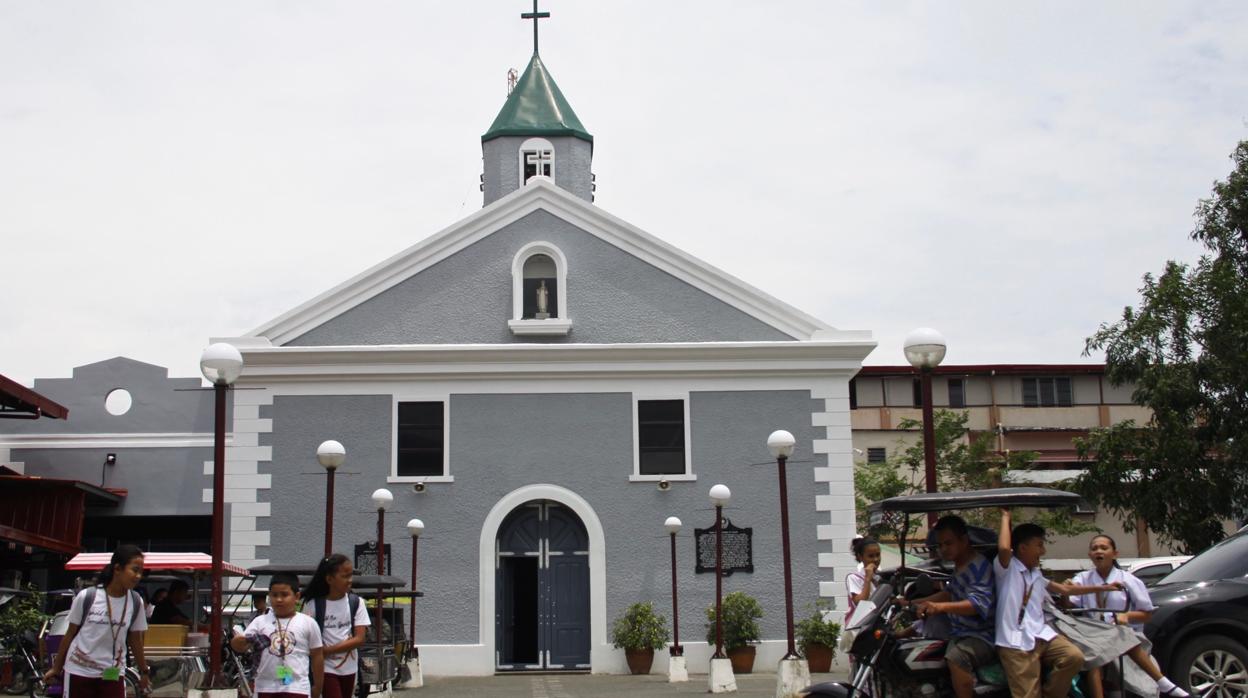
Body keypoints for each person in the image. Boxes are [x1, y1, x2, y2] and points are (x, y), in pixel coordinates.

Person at [996, 508, 1124, 698]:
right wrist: (1006, 516)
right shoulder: (1007, 568)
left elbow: (1065, 590)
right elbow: (1005, 549)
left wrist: (1104, 588)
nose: (1043, 551)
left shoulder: (1036, 574)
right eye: (1039, 545)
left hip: (1040, 635)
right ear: (1023, 548)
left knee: (1074, 657)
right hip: (1015, 642)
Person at [1066, 534, 1189, 697]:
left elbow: (1146, 614)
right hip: (1093, 635)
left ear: (1114, 553)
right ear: (1089, 555)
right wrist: (1065, 592)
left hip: (1125, 633)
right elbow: (1069, 605)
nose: (1098, 551)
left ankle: (1162, 683)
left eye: (1103, 548)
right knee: (1093, 653)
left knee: (1121, 637)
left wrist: (1127, 616)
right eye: (1094, 548)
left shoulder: (1129, 580)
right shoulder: (1082, 578)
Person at [43, 545, 150, 697]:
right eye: (134, 570)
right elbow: (70, 634)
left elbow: (135, 639)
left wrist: (144, 671)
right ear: (117, 569)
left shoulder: (135, 601)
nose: (138, 576)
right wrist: (56, 668)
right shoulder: (87, 597)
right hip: (79, 670)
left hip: (112, 673)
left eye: (141, 572)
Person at [910, 515, 996, 698]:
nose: (943, 549)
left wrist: (940, 608)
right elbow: (949, 594)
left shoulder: (978, 567)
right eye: (940, 545)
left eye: (948, 543)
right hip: (959, 632)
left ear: (964, 540)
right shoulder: (960, 566)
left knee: (957, 658)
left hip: (981, 635)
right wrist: (910, 603)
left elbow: (977, 604)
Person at [231, 571, 324, 698]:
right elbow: (240, 645)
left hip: (297, 688)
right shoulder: (260, 622)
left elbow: (317, 656)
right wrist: (239, 641)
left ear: (296, 597)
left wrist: (318, 687)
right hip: (265, 687)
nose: (279, 599)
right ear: (269, 596)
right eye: (274, 595)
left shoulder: (308, 623)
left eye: (284, 595)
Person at [301, 555, 370, 698]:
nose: (349, 580)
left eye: (350, 575)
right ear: (329, 579)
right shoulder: (314, 605)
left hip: (350, 668)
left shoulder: (357, 603)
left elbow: (360, 639)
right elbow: (305, 637)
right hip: (325, 668)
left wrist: (327, 650)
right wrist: (319, 653)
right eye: (345, 576)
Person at [846, 537, 882, 619]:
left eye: (878, 555)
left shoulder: (881, 576)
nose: (875, 559)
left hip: (878, 623)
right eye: (870, 556)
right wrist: (867, 578)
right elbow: (861, 602)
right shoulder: (853, 578)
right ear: (860, 557)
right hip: (860, 626)